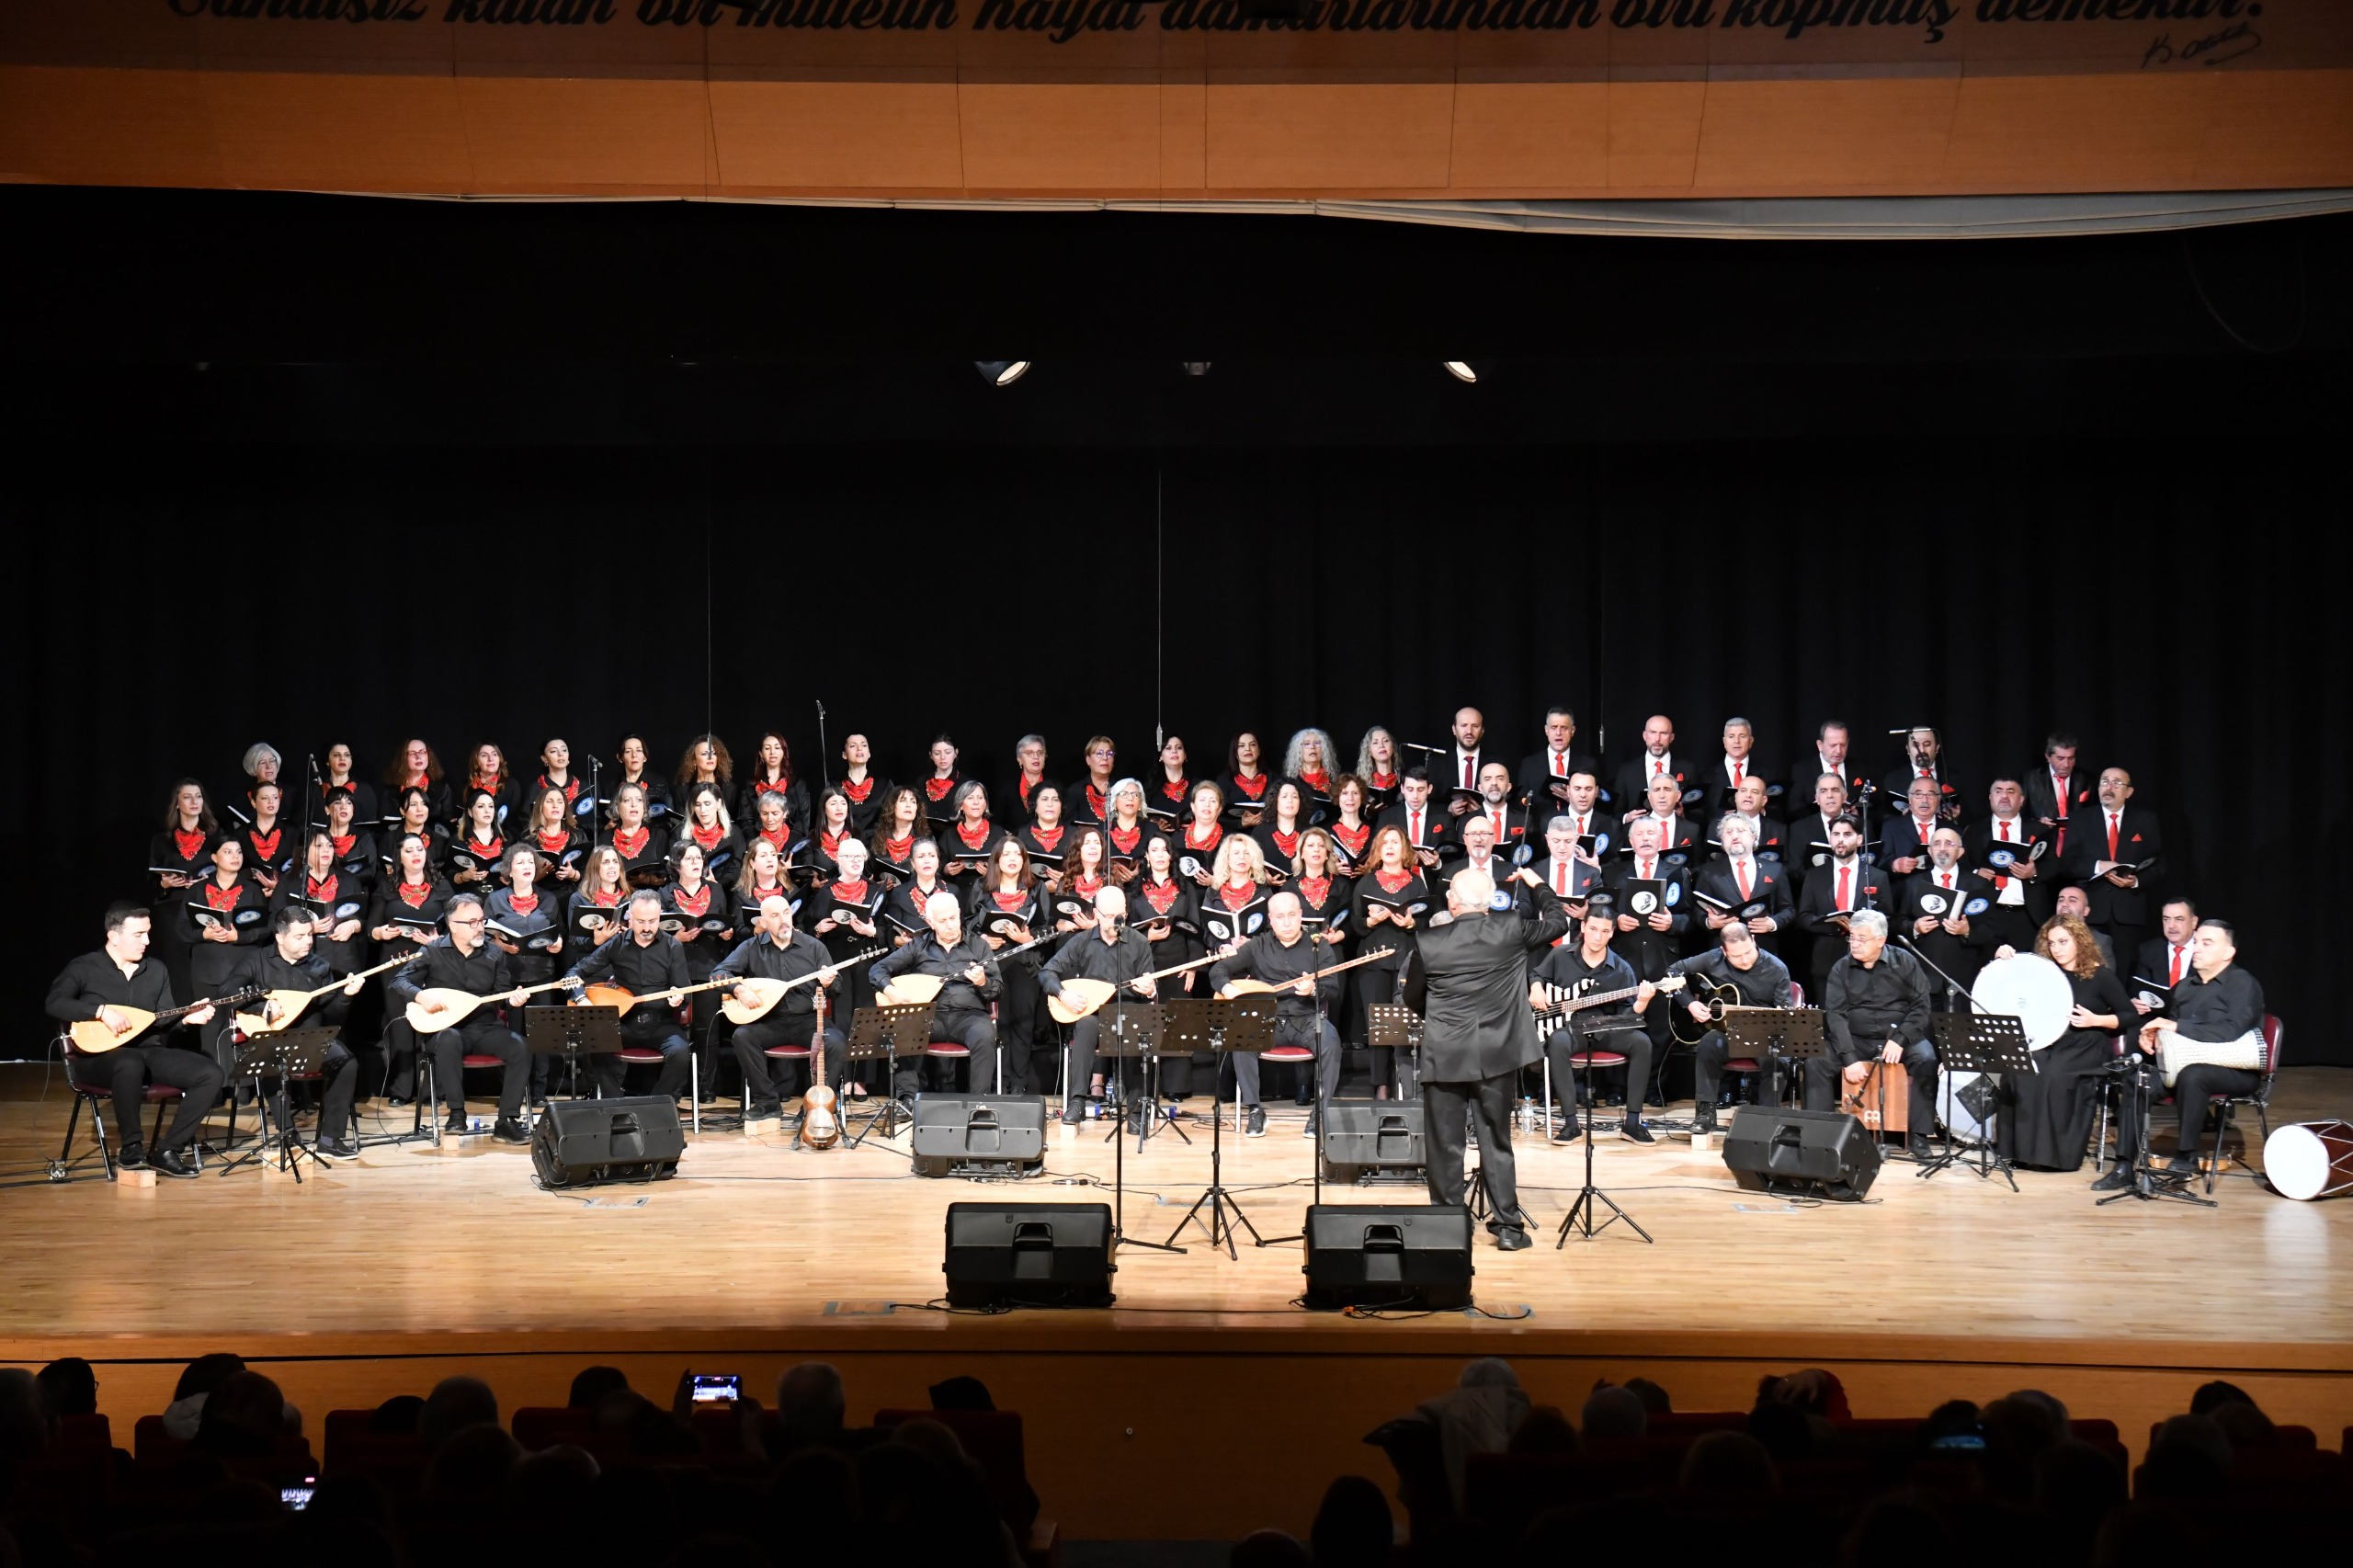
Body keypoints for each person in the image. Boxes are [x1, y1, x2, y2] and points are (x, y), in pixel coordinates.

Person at [1403, 866, 1569, 1248]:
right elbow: (1558, 921)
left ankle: (1449, 1228)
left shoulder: (1428, 941)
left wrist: (1443, 1018)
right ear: (1489, 902)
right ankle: (1508, 1228)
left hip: (1446, 1052)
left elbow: (1413, 997)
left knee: (1445, 1145)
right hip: (1498, 1052)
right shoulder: (1510, 928)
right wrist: (1536, 883)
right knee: (1496, 1140)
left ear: (1452, 903)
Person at [45, 902, 225, 1177]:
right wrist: (100, 1011)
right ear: (114, 936)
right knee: (128, 1062)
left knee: (210, 1073)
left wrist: (187, 1019)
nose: (147, 941)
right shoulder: (84, 967)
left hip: (148, 1052)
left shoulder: (155, 970)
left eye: (148, 933)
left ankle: (168, 1151)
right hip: (97, 1059)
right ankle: (131, 1148)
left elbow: (162, 1020)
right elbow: (55, 1003)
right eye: (138, 934)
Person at [383, 892, 534, 1142]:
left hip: (485, 1028)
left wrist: (512, 1001)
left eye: (482, 921)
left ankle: (507, 1121)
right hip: (445, 1029)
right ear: (453, 925)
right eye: (472, 922)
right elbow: (399, 981)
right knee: (449, 1039)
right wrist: (421, 997)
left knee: (521, 1046)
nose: (480, 928)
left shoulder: (494, 954)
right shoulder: (432, 951)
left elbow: (502, 997)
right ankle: (456, 1114)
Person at [2131, 918, 2266, 1178]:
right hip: (2183, 1064)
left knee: (2193, 1075)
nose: (2197, 948)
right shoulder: (2185, 987)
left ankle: (2187, 1156)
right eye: (2196, 942)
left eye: (2207, 943)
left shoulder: (2242, 983)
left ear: (2228, 952)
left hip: (2235, 1069)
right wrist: (2155, 1037)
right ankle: (2126, 1163)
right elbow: (2171, 1032)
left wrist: (2174, 1026)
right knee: (2138, 1078)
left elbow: (2229, 1031)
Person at [232, 904, 367, 1157]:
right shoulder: (257, 960)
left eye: (310, 935)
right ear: (280, 938)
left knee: (347, 1062)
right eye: (300, 936)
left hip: (309, 1039)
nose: (308, 942)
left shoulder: (319, 967)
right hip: (268, 1038)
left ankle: (330, 1139)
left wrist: (346, 995)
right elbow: (227, 993)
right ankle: (287, 1133)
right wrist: (262, 1007)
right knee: (270, 1058)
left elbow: (333, 1014)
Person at [1997, 914, 2128, 1174]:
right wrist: (2003, 961)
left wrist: (2096, 1020)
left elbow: (2129, 1016)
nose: (2057, 949)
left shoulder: (2099, 976)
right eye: (2052, 943)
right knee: (2021, 1069)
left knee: (2054, 1075)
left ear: (2079, 940)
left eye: (2063, 941)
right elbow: (2012, 991)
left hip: (2088, 1042)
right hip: (2052, 1040)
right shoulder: (2045, 974)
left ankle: (2055, 1156)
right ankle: (2020, 1152)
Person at [1210, 891, 1346, 1137]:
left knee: (1331, 1040)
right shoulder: (1257, 946)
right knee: (1241, 1039)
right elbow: (1218, 970)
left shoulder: (1318, 946)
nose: (1287, 922)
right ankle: (1255, 1110)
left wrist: (1314, 989)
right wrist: (1228, 989)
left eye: (1292, 915)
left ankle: (1320, 1110)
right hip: (1268, 1020)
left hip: (1306, 1019)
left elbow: (1333, 988)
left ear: (1301, 915)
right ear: (1270, 919)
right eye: (1280, 917)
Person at [1530, 902, 1660, 1142]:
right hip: (1571, 1027)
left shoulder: (1621, 968)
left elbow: (1629, 1015)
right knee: (1557, 1042)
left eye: (1604, 931)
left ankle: (1633, 1123)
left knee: (1642, 1042)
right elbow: (1537, 974)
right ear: (1583, 927)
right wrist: (1536, 987)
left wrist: (1642, 1002)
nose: (1597, 937)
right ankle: (1571, 1125)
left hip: (1607, 1027)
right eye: (1593, 929)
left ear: (1612, 933)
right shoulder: (1560, 954)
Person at [713, 895, 842, 1125]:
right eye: (774, 916)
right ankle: (767, 1102)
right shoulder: (751, 947)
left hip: (808, 1021)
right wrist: (739, 990)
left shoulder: (814, 947)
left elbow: (837, 988)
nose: (783, 920)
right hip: (770, 1022)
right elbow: (718, 974)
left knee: (836, 1042)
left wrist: (829, 982)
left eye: (786, 913)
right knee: (743, 1037)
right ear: (763, 922)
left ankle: (816, 1106)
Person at [1818, 909, 1936, 1158]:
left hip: (1898, 1037)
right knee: (1817, 1060)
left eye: (1862, 939)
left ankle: (1918, 1135)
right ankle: (1823, 1132)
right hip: (1857, 1038)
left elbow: (1921, 1006)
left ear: (1881, 940)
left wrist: (1901, 1039)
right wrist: (1849, 1057)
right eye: (1852, 937)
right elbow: (1836, 1015)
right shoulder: (1841, 968)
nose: (1855, 944)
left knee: (1926, 1058)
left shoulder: (1905, 961)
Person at [1038, 886, 1158, 1123]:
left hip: (1129, 1009)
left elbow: (1149, 984)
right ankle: (1077, 1103)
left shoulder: (1139, 942)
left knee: (1137, 1026)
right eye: (1109, 916)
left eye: (1120, 916)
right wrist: (1063, 994)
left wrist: (1149, 989)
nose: (1116, 922)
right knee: (1085, 1025)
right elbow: (1046, 972)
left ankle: (1136, 1111)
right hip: (1095, 1012)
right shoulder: (1082, 941)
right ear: (1096, 914)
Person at [868, 891, 1002, 1099]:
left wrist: (982, 982)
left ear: (959, 913)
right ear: (930, 922)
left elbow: (997, 989)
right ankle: (908, 1099)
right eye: (943, 921)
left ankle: (979, 1103)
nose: (950, 925)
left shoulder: (978, 946)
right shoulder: (918, 946)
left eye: (953, 918)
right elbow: (878, 970)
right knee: (901, 1030)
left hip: (970, 1017)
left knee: (985, 1036)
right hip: (930, 1017)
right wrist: (890, 990)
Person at [567, 892, 695, 1102]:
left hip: (661, 1024)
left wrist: (680, 998)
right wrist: (581, 999)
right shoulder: (616, 944)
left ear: (660, 916)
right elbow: (574, 973)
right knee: (596, 1043)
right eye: (641, 921)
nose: (647, 928)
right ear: (629, 917)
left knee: (680, 1053)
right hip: (624, 1022)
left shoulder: (673, 947)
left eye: (653, 921)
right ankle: (615, 1102)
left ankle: (656, 1104)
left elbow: (684, 989)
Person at [1669, 921, 1794, 1131]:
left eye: (1748, 952)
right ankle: (1705, 1115)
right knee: (1708, 1043)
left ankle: (1767, 1119)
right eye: (1736, 956)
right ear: (1724, 951)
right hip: (1726, 1034)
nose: (1744, 960)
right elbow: (1673, 971)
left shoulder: (1776, 968)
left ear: (1753, 940)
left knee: (1778, 1059)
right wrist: (1690, 1003)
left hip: (1761, 1036)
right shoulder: (1713, 959)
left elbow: (1785, 1012)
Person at [1351, 824, 1429, 1098]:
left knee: (1408, 1023)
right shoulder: (1366, 883)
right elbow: (1354, 924)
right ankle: (1380, 1085)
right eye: (1385, 842)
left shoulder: (1417, 883)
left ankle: (1408, 1082)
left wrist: (1411, 923)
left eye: (1395, 842)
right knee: (1379, 1025)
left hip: (1408, 961)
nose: (1390, 847)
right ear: (1378, 849)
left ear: (1404, 848)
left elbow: (1427, 922)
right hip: (1373, 962)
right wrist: (1370, 921)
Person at [181, 835, 269, 1071]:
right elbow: (181, 928)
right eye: (228, 852)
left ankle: (246, 1085)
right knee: (211, 1027)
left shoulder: (252, 890)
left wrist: (240, 937)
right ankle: (215, 1083)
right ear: (214, 857)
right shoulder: (197, 890)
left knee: (247, 1025)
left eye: (238, 852)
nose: (235, 856)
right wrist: (204, 934)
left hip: (243, 967)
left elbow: (266, 929)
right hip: (207, 969)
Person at [968, 837, 1049, 1095]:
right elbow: (968, 924)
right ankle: (999, 1082)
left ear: (1024, 860)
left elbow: (1046, 927)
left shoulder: (1036, 888)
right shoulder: (981, 887)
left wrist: (1028, 939)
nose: (1012, 859)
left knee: (1023, 1022)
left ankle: (1019, 1082)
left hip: (1025, 962)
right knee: (998, 1023)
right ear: (997, 859)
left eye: (1017, 854)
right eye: (1006, 854)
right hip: (993, 964)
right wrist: (982, 939)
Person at [2063, 765, 2163, 965]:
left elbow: (2158, 864)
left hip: (2128, 912)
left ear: (2129, 792)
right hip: (2091, 910)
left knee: (2125, 969)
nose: (2109, 787)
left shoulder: (2145, 820)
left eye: (2117, 783)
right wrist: (2098, 866)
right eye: (2105, 782)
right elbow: (2067, 862)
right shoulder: (2080, 819)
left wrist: (2136, 882)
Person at [1794, 814, 1889, 997]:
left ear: (1859, 839)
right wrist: (1832, 924)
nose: (1840, 840)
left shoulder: (1877, 876)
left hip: (1866, 961)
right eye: (1836, 834)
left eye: (1847, 834)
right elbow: (1803, 917)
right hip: (1825, 961)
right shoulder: (1814, 875)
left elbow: (1887, 917)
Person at [1898, 827, 1988, 1007]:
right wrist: (1915, 927)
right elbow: (1897, 922)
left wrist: (1967, 931)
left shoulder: (1979, 884)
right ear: (1930, 851)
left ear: (1960, 852)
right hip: (1923, 978)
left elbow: (1990, 929)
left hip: (1963, 978)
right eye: (1937, 844)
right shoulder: (1912, 883)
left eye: (1949, 844)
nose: (1942, 848)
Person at [1962, 777, 2052, 956]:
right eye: (1998, 791)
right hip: (1987, 916)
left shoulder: (2039, 830)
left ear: (2021, 800)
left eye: (2010, 791)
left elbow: (2055, 865)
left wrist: (2034, 873)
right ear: (1990, 798)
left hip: (2027, 916)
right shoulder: (1974, 830)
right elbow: (1961, 865)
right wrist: (1976, 873)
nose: (2004, 796)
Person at [1605, 817, 1688, 990]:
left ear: (1660, 839)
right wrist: (1616, 921)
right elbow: (1602, 912)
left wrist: (1672, 922)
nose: (1645, 838)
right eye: (1639, 834)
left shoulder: (1679, 873)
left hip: (1663, 960)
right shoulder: (1612, 873)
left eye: (1651, 833)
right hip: (1625, 959)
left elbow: (1690, 918)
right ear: (1631, 841)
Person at [1690, 815, 1791, 954]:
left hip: (1765, 949)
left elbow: (1788, 909)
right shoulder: (1708, 872)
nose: (1735, 836)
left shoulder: (1775, 869)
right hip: (1723, 950)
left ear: (1753, 836)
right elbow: (1697, 912)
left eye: (1741, 831)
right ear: (1722, 840)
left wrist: (1772, 923)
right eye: (1729, 832)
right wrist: (1709, 922)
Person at [1516, 705, 1595, 818]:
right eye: (1554, 727)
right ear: (1546, 730)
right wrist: (1526, 802)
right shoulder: (1529, 764)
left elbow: (1600, 805)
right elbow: (1520, 802)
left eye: (1564, 728)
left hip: (1577, 824)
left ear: (1572, 731)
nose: (1558, 732)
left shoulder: (1588, 764)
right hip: (1541, 826)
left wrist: (1574, 801)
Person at [2025, 731, 2090, 860]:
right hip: (2043, 849)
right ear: (2048, 757)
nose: (2066, 765)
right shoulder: (2029, 779)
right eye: (2060, 759)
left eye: (2071, 759)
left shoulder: (2087, 779)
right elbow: (2019, 815)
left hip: (2078, 849)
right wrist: (2037, 823)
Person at [1376, 767, 1452, 874]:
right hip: (1395, 877)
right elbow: (1378, 852)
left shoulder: (1444, 817)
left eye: (1420, 790)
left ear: (1429, 789)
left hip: (1431, 879)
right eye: (1410, 789)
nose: (1415, 796)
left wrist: (1437, 864)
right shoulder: (1387, 817)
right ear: (1402, 789)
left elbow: (1451, 857)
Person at [738, 731, 809, 837]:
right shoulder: (750, 786)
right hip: (759, 842)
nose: (772, 752)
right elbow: (745, 821)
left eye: (777, 747)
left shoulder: (798, 784)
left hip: (791, 842)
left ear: (783, 752)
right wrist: (759, 844)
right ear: (761, 754)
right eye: (767, 748)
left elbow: (803, 820)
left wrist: (789, 844)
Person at [2135, 898, 2200, 1014]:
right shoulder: (2148, 950)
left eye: (2179, 919)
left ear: (2194, 922)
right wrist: (2136, 1003)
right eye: (2166, 919)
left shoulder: (2207, 949)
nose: (2171, 926)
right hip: (2157, 1018)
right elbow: (2141, 991)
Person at [1609, 713, 1681, 814]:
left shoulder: (1687, 770)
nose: (1657, 739)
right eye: (1653, 732)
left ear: (1671, 737)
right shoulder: (1626, 771)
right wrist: (1627, 818)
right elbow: (1616, 812)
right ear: (1645, 735)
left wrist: (1683, 816)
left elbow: (1698, 811)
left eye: (1663, 733)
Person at [1699, 716, 1767, 822]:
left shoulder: (1768, 773)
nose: (1736, 741)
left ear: (1751, 741)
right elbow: (1702, 814)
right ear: (1724, 741)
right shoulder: (1705, 776)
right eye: (1731, 736)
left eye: (1742, 736)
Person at [1878, 776, 1947, 879]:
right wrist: (1895, 866)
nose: (1924, 800)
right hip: (1905, 887)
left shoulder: (1951, 829)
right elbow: (1881, 865)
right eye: (1918, 794)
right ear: (1910, 799)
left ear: (1938, 800)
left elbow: (1963, 866)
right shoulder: (1892, 827)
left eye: (1930, 794)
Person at [835, 732, 886, 835]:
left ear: (869, 753)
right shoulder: (834, 786)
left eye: (864, 745)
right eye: (853, 746)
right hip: (845, 843)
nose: (859, 749)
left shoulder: (884, 785)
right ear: (844, 755)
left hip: (878, 842)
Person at [1442, 706, 1489, 817]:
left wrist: (1483, 812)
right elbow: (1428, 803)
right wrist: (1448, 810)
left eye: (1475, 726)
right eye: (1464, 726)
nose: (1469, 731)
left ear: (1482, 730)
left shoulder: (1495, 765)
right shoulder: (1437, 763)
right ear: (1454, 729)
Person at [1002, 733, 1054, 825]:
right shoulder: (1007, 788)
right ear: (1019, 759)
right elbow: (997, 825)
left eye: (1040, 752)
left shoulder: (1055, 787)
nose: (1036, 757)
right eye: (1029, 753)